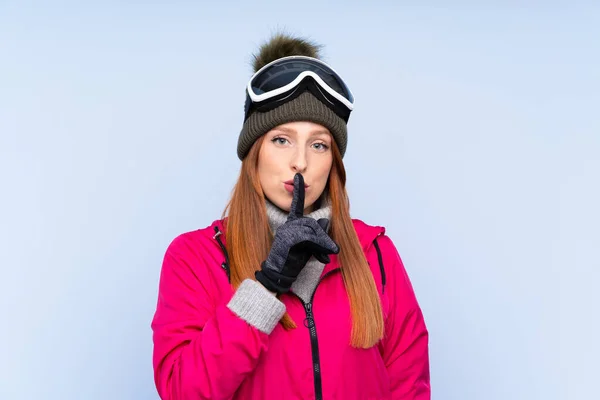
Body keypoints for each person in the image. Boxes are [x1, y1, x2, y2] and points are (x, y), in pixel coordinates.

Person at [151, 33, 430, 400]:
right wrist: (267, 285)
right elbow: (183, 391)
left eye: (318, 144)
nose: (301, 161)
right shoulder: (194, 257)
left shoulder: (375, 253)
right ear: (255, 150)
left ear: (333, 162)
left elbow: (408, 386)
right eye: (281, 140)